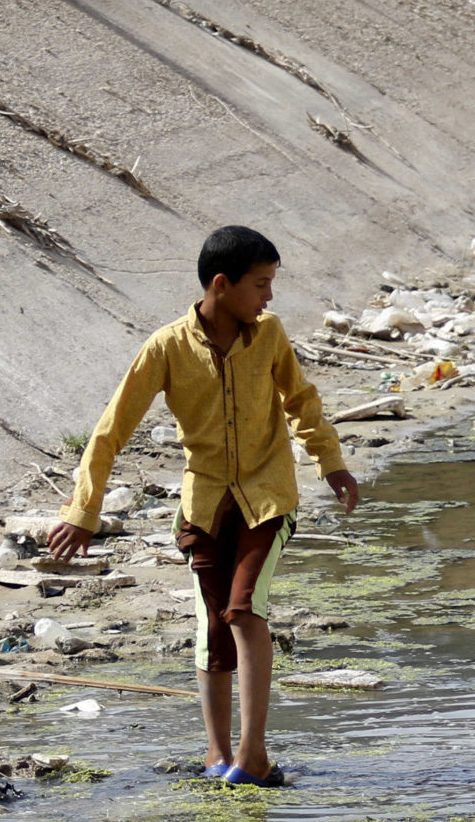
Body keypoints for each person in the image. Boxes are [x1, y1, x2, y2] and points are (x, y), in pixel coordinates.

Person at [45, 225, 358, 785]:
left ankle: (253, 752)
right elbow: (110, 431)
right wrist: (82, 511)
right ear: (222, 284)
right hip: (206, 504)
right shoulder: (166, 348)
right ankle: (217, 756)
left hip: (268, 501)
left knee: (244, 608)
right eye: (260, 285)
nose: (269, 297)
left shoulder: (270, 335)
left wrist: (329, 462)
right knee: (213, 627)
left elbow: (301, 401)